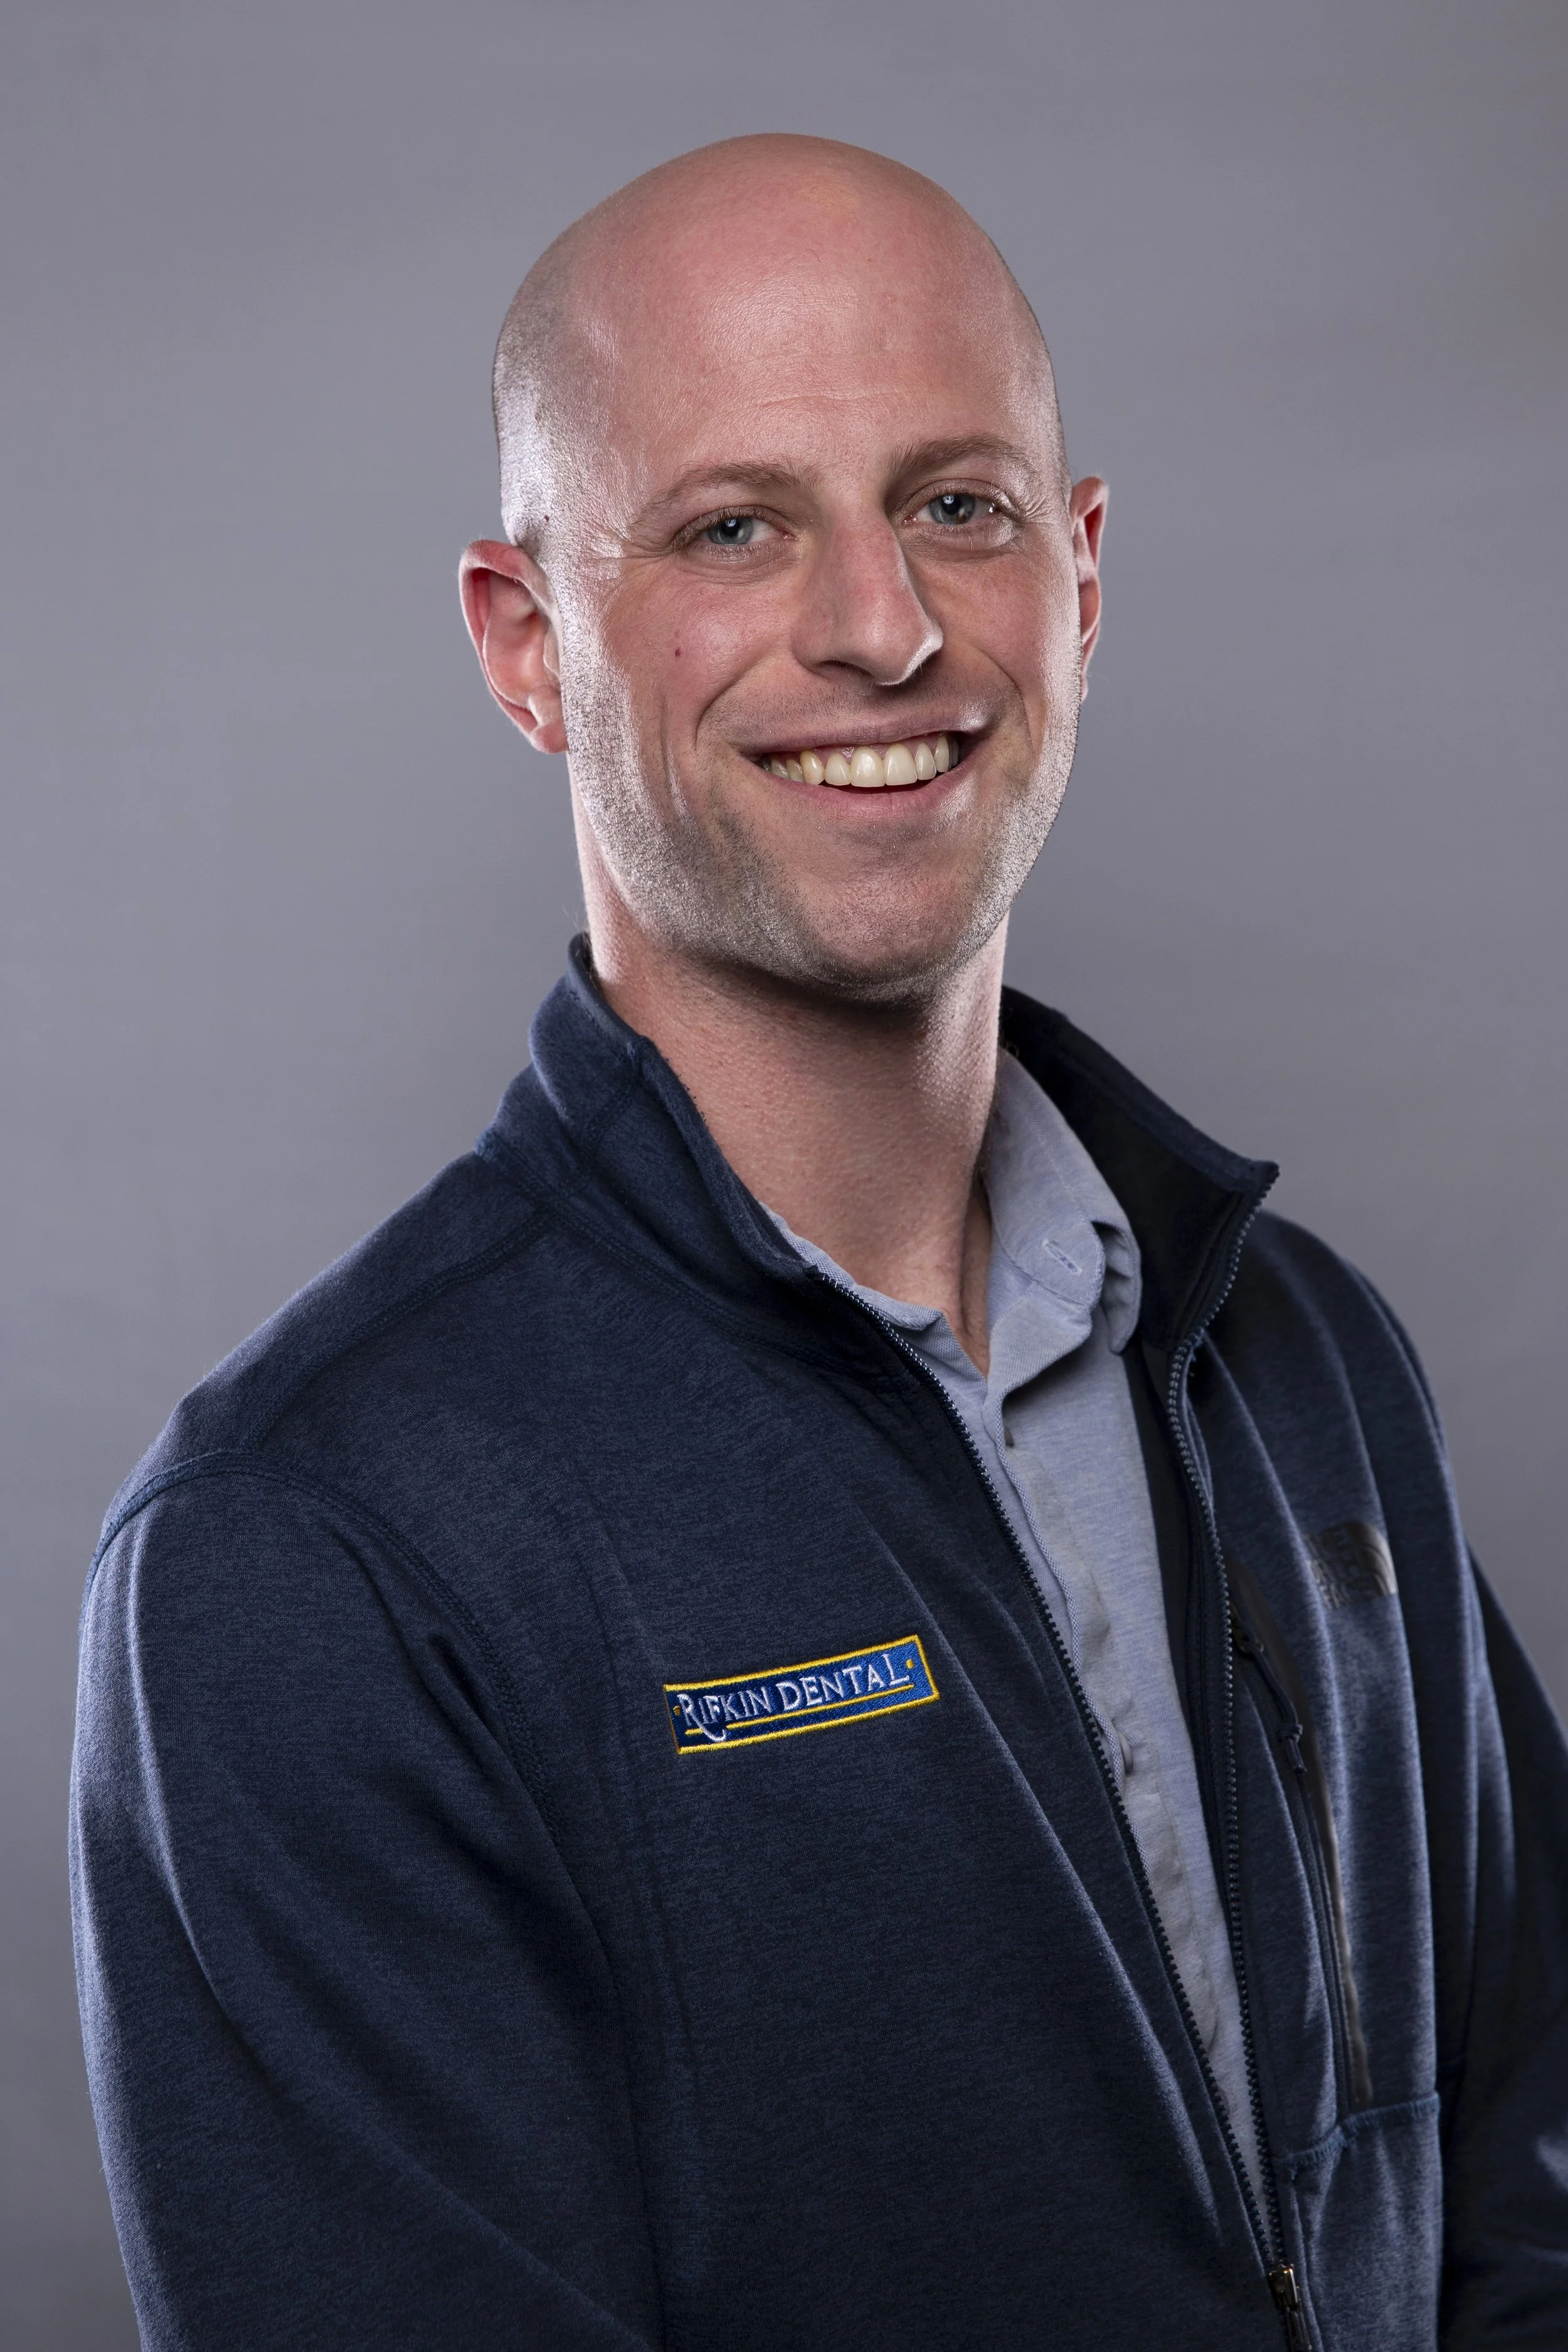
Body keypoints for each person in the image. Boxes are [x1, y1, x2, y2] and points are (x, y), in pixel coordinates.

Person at [70, 134, 1568, 2352]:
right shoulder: (307, 1557)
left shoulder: (1304, 1357)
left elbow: (1522, 2211)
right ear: (528, 643)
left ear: (1077, 578)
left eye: (955, 504)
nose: (881, 628)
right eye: (734, 526)